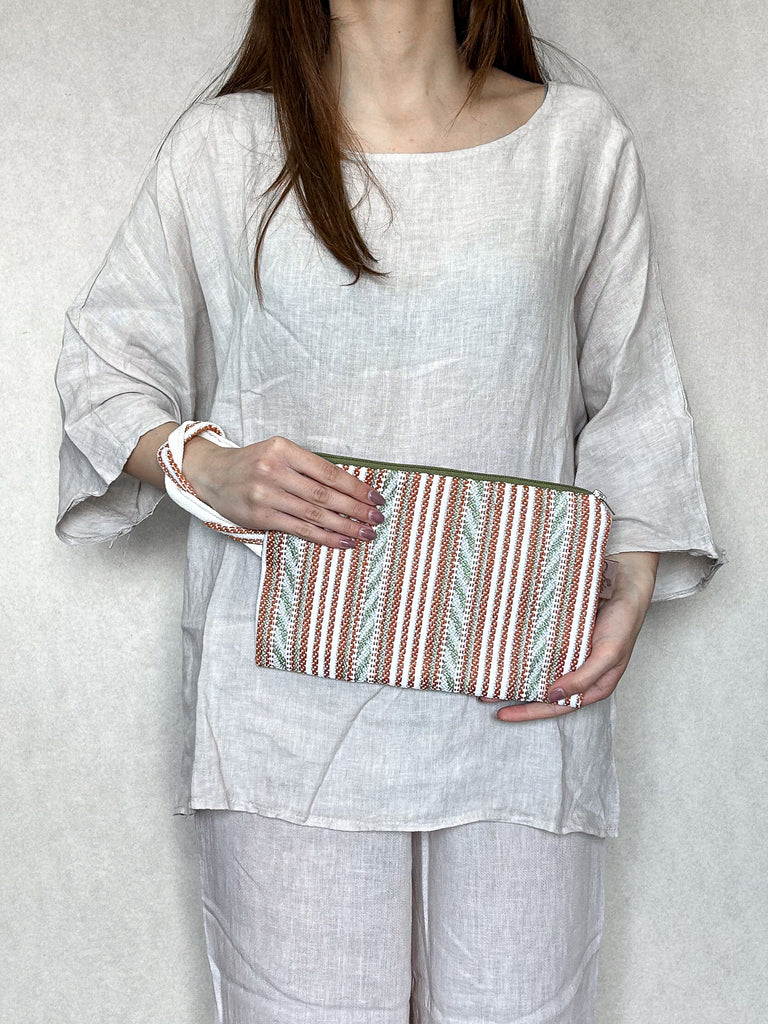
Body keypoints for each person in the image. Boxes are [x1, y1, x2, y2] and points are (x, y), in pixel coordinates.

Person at [54, 1, 727, 1021]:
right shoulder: (225, 149)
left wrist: (629, 584)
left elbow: (631, 396)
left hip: (520, 690)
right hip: (285, 708)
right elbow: (103, 370)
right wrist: (207, 466)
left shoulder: (575, 143)